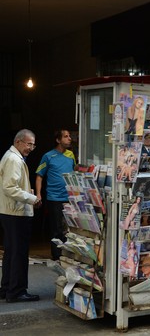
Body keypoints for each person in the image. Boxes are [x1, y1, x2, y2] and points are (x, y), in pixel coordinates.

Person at [0, 129, 42, 303]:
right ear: (18, 142)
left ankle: (7, 288)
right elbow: (9, 188)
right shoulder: (13, 160)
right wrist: (32, 198)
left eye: (33, 144)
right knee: (18, 252)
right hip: (15, 212)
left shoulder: (12, 157)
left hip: (10, 211)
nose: (31, 148)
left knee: (11, 251)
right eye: (28, 144)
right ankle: (16, 291)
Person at [35, 129, 76, 260]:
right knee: (56, 228)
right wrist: (38, 194)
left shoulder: (71, 155)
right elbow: (39, 176)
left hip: (70, 197)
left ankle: (67, 255)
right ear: (58, 140)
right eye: (65, 136)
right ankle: (57, 256)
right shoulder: (48, 156)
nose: (69, 138)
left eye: (69, 136)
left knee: (69, 228)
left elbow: (75, 172)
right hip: (54, 198)